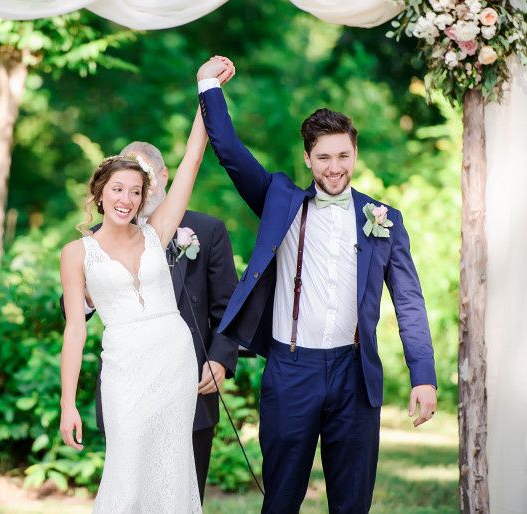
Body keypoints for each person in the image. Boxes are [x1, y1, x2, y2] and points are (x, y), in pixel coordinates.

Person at [196, 56, 438, 514]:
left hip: (354, 373)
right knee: (281, 499)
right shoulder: (278, 199)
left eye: (343, 155)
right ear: (308, 158)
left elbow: (409, 302)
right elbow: (228, 149)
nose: (334, 167)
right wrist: (208, 85)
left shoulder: (384, 219)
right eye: (324, 157)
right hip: (291, 371)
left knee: (352, 503)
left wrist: (422, 376)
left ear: (355, 155)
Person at [59, 59, 235, 513]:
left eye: (135, 192)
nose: (126, 200)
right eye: (117, 190)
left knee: (174, 469)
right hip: (124, 369)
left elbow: (191, 161)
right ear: (100, 194)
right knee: (127, 465)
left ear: (146, 195)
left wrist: (206, 89)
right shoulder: (77, 254)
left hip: (173, 359)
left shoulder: (157, 234)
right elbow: (75, 331)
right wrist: (67, 404)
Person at [82, 140, 240, 503]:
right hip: (130, 387)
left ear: (162, 177)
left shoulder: (208, 229)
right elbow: (71, 308)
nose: (133, 192)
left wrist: (219, 359)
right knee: (131, 494)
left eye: (141, 181)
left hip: (189, 382)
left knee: (181, 496)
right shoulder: (96, 243)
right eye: (121, 184)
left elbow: (229, 306)